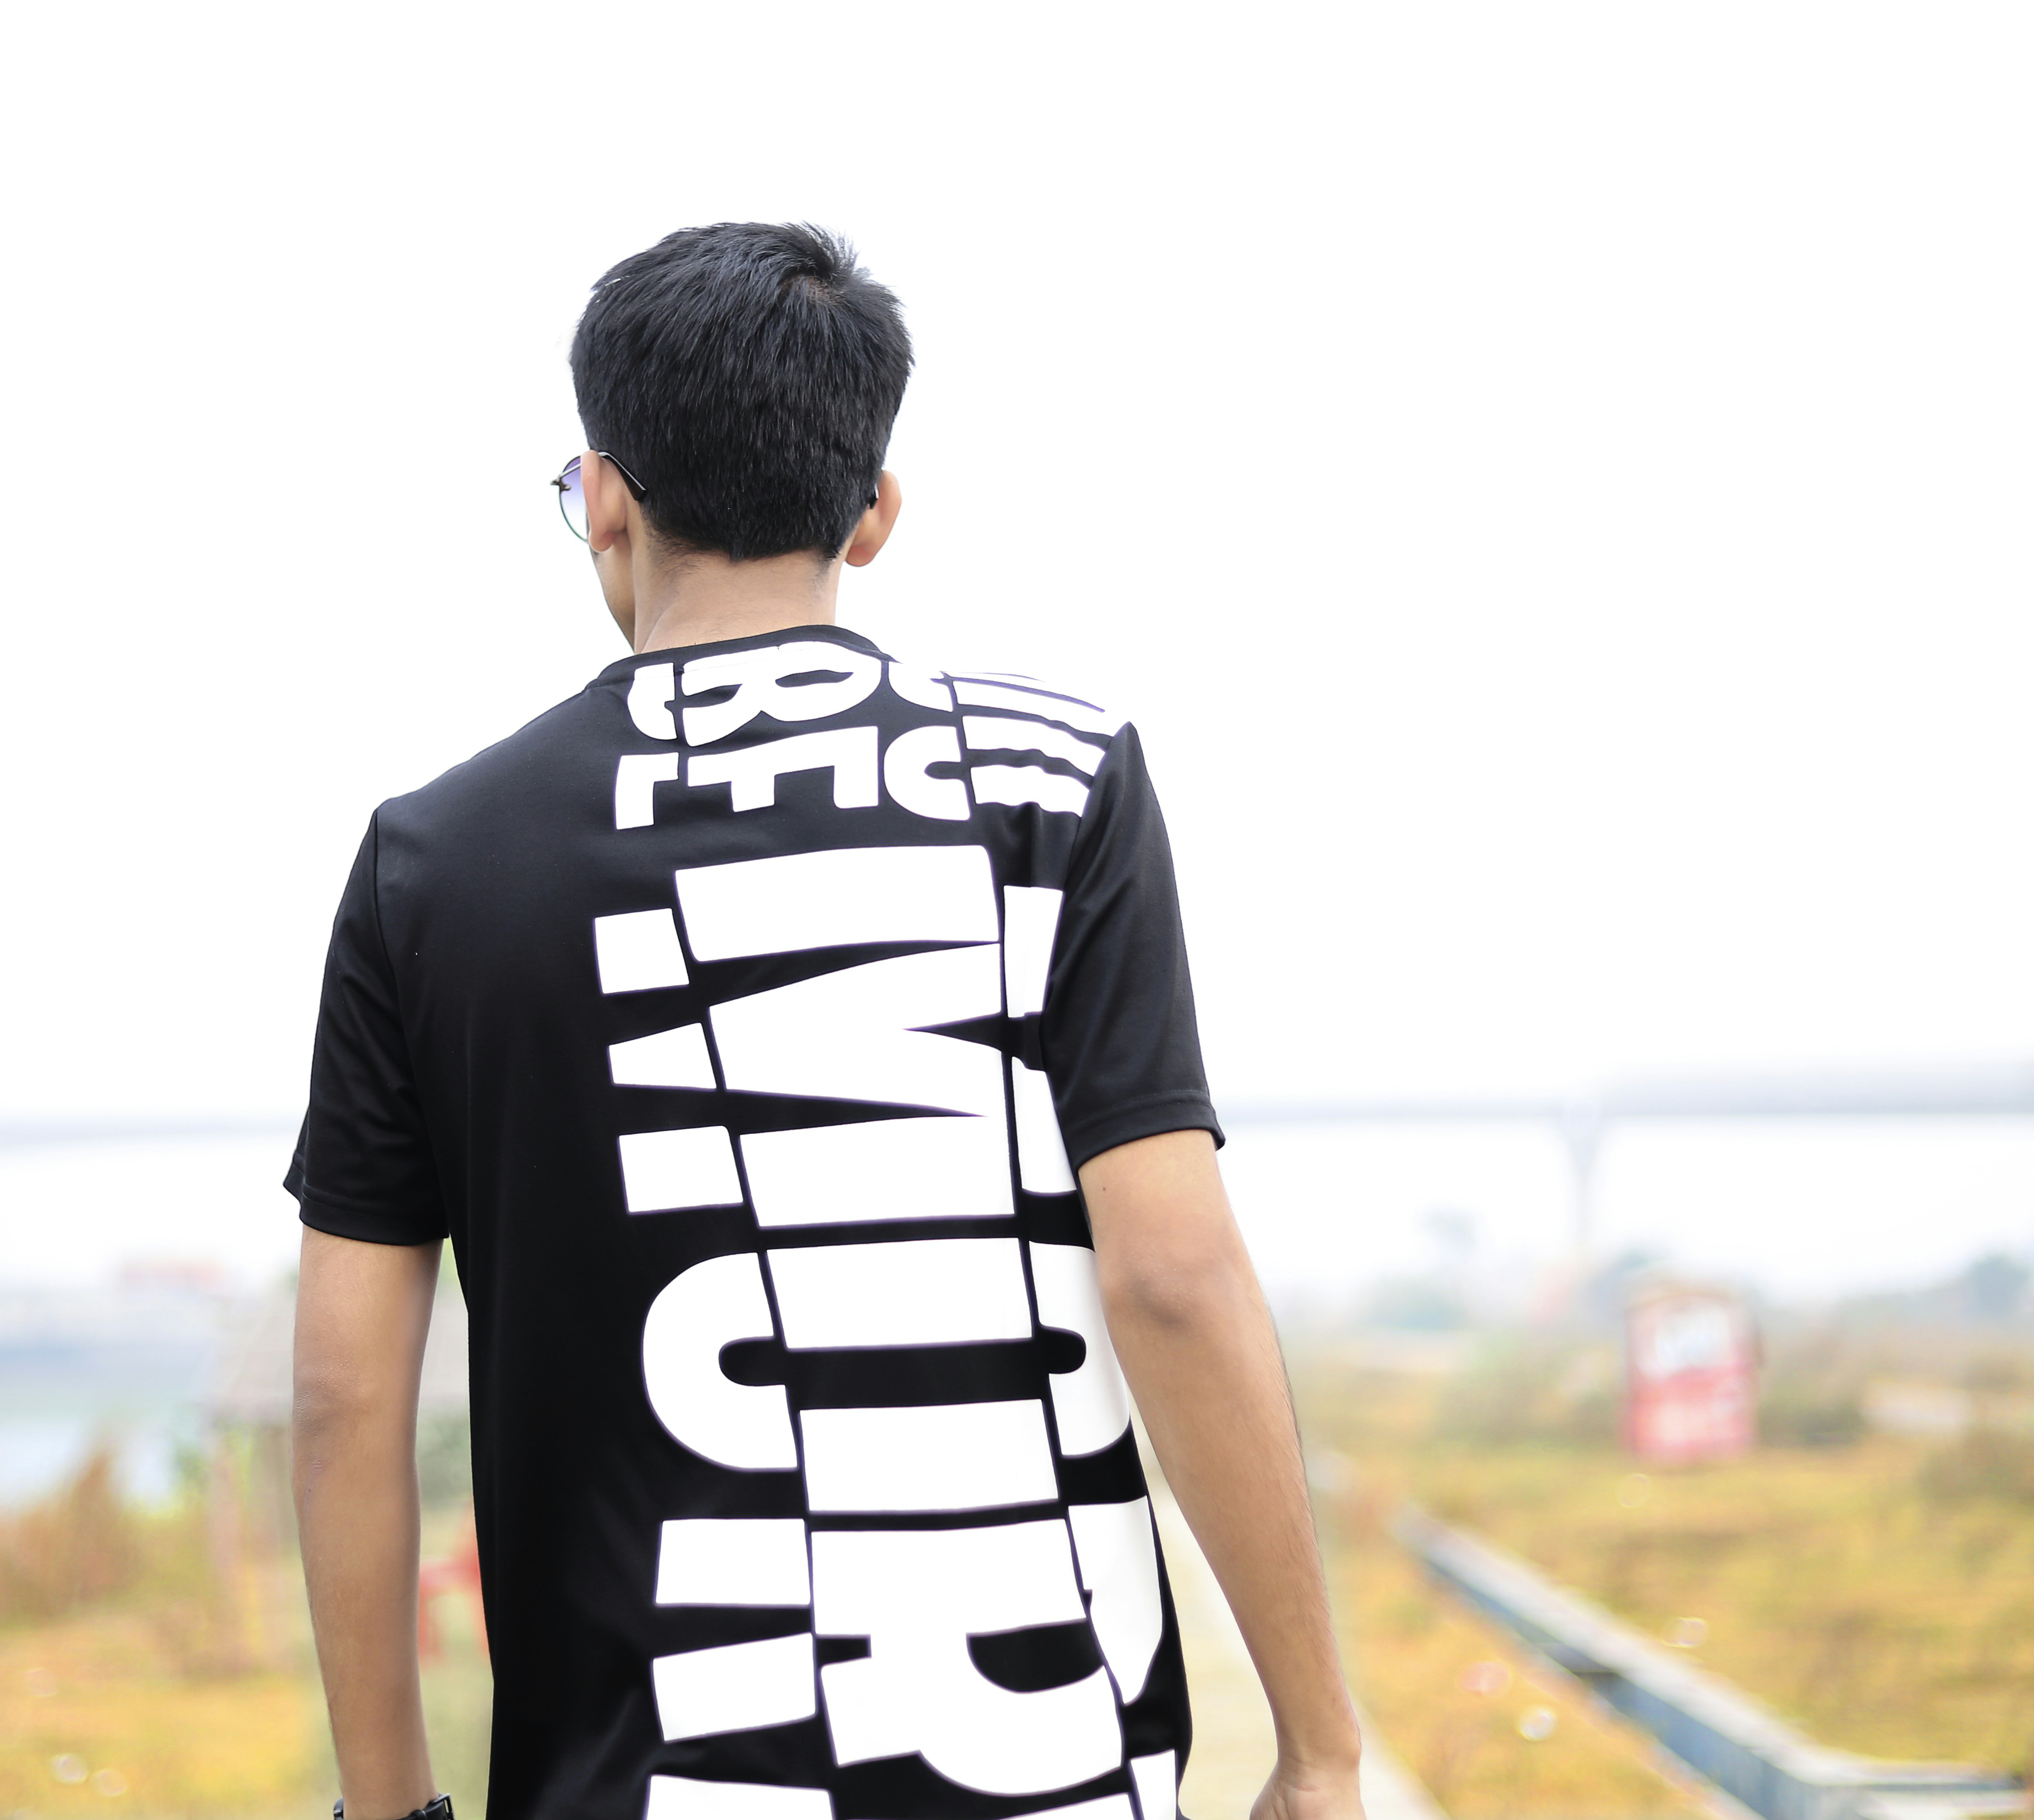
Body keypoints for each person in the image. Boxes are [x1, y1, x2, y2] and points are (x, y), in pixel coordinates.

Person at [288, 222, 1366, 1820]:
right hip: (1043, 1775)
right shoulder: (1052, 785)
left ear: (606, 497)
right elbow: (1174, 1279)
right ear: (873, 512)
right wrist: (1319, 1748)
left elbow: (345, 1397)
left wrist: (390, 1811)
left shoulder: (433, 863)